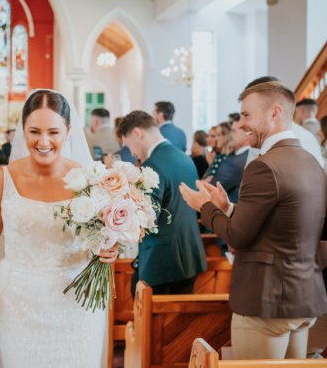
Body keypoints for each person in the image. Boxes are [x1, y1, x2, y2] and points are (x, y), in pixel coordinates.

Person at [0, 89, 116, 367]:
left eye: (53, 132)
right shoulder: (2, 179)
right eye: (34, 131)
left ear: (68, 131)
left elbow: (104, 237)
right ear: (22, 130)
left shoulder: (90, 179)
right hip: (18, 303)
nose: (43, 141)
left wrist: (109, 248)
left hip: (76, 304)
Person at [179, 80, 327, 359]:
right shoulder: (311, 161)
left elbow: (237, 236)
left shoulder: (264, 165)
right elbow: (286, 222)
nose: (241, 123)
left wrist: (207, 208)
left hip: (267, 299)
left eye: (247, 115)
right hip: (303, 294)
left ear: (275, 113)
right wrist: (229, 207)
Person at [118, 111, 207, 296]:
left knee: (150, 323)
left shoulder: (153, 165)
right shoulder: (184, 158)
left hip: (162, 264)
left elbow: (146, 218)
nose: (132, 152)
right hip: (189, 256)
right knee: (179, 324)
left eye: (128, 145)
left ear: (137, 133)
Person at [210, 116, 249, 203]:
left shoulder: (234, 162)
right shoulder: (251, 155)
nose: (230, 135)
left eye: (234, 131)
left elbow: (211, 189)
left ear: (247, 133)